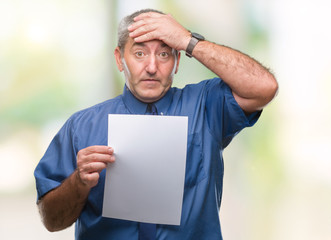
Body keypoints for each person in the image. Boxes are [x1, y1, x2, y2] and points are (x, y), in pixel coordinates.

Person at [34, 8, 278, 240]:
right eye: (139, 53)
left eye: (164, 54)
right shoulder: (81, 127)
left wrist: (188, 40)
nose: (152, 67)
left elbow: (264, 87)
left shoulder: (207, 106)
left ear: (177, 62)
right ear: (120, 60)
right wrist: (79, 181)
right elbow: (51, 221)